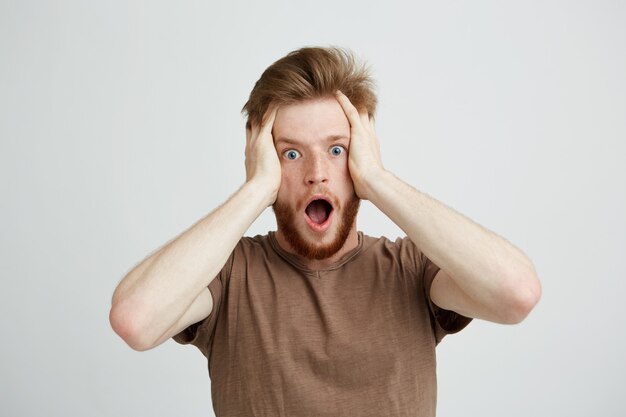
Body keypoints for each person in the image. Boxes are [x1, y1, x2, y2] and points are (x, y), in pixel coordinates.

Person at [109, 47, 541, 417]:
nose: (317, 174)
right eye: (291, 153)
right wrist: (255, 188)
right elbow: (135, 321)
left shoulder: (412, 269)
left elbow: (516, 294)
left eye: (336, 150)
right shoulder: (228, 275)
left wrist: (378, 179)